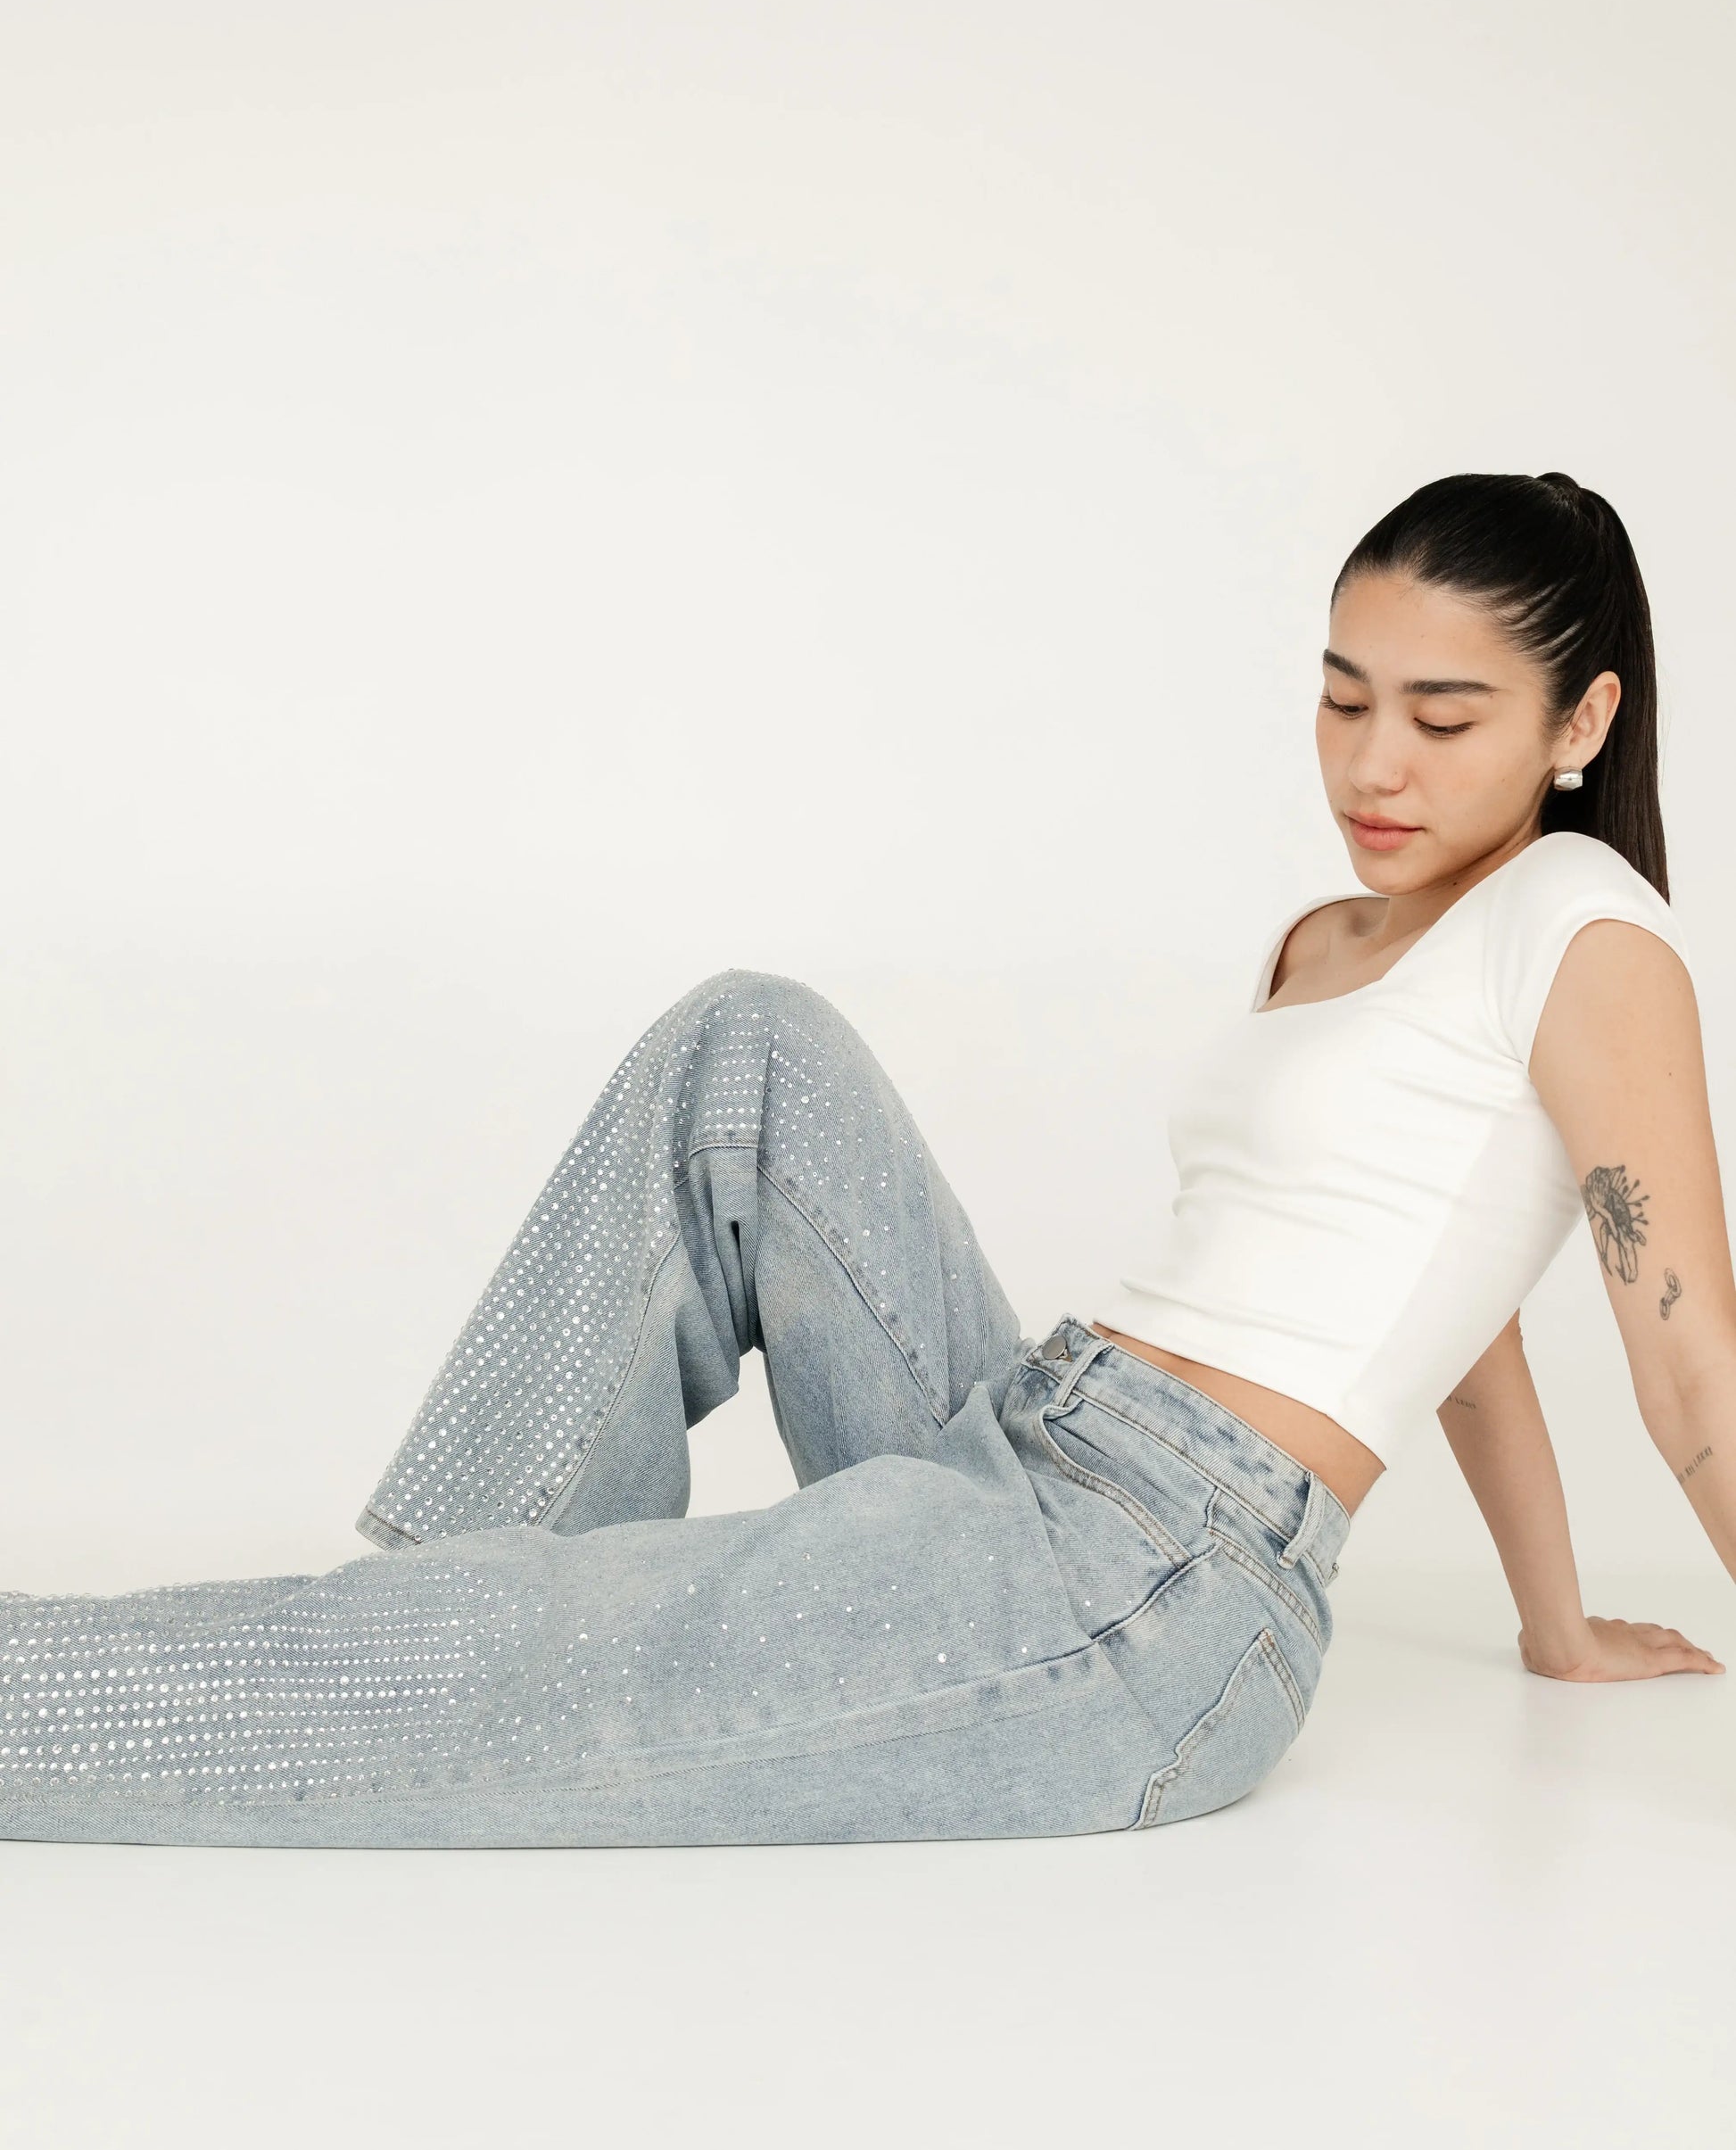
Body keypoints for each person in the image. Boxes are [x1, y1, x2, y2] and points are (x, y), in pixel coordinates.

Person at [3, 471, 1728, 1850]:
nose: (1370, 763)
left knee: (484, 1668)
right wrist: (1555, 1621)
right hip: (1029, 1436)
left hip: (1139, 1595)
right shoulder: (1345, 934)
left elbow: (1692, 1382)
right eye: (1343, 700)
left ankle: (443, 1653)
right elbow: (1460, 1310)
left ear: (1578, 722)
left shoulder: (1584, 926)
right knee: (747, 1047)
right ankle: (466, 1619)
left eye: (1442, 718)